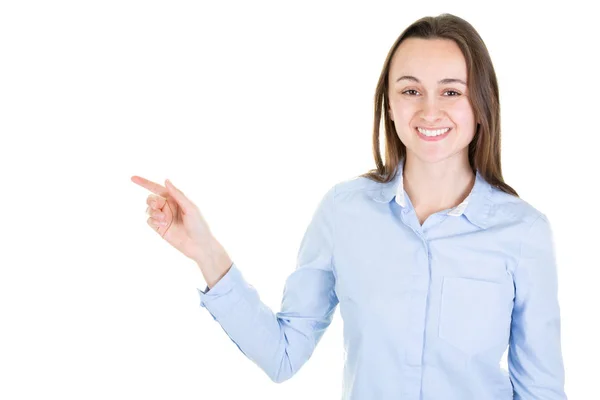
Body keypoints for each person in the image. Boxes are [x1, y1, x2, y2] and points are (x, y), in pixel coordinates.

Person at [131, 13, 567, 400]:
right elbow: (283, 354)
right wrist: (206, 251)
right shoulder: (345, 211)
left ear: (481, 105)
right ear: (390, 106)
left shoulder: (523, 232)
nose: (430, 110)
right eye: (411, 90)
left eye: (451, 92)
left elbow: (541, 390)